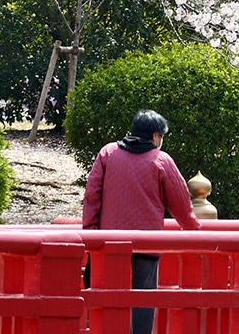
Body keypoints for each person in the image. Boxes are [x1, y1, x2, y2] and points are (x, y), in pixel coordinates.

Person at [82, 110, 201, 334]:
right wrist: (196, 231)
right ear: (156, 136)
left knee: (108, 300)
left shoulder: (108, 153)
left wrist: (90, 237)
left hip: (109, 244)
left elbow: (92, 197)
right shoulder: (161, 160)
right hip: (147, 244)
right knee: (143, 300)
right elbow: (181, 206)